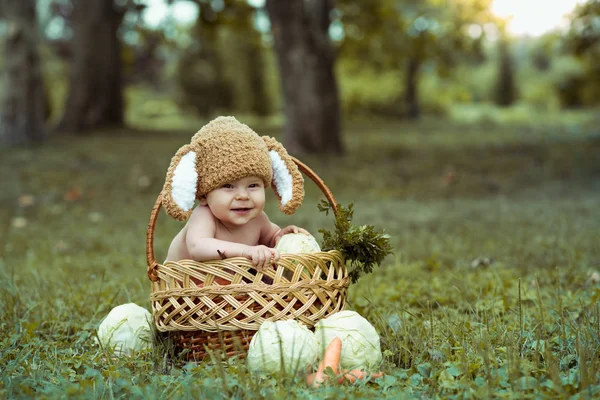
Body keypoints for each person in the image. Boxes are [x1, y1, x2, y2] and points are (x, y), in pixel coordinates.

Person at [161, 116, 309, 278]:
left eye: (253, 186)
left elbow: (270, 239)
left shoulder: (258, 219)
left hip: (228, 293)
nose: (243, 196)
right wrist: (246, 251)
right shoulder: (204, 216)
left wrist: (281, 238)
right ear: (203, 196)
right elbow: (198, 248)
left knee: (269, 277)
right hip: (187, 291)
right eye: (228, 186)